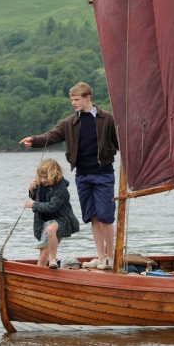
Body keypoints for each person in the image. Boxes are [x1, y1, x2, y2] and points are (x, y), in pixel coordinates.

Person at [19, 82, 119, 270]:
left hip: (103, 174)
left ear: (88, 98)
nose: (73, 103)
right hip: (82, 176)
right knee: (93, 216)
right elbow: (51, 135)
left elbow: (121, 141)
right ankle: (100, 256)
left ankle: (110, 258)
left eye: (76, 99)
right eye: (72, 100)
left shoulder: (107, 119)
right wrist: (34, 140)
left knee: (105, 217)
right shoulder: (69, 122)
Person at [25, 158, 80, 269]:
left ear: (54, 174)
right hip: (43, 223)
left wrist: (34, 205)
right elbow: (38, 199)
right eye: (41, 177)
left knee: (45, 252)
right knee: (42, 256)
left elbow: (52, 206)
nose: (43, 180)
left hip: (61, 220)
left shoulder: (61, 188)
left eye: (45, 177)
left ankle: (53, 259)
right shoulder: (41, 184)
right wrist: (31, 190)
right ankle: (41, 275)